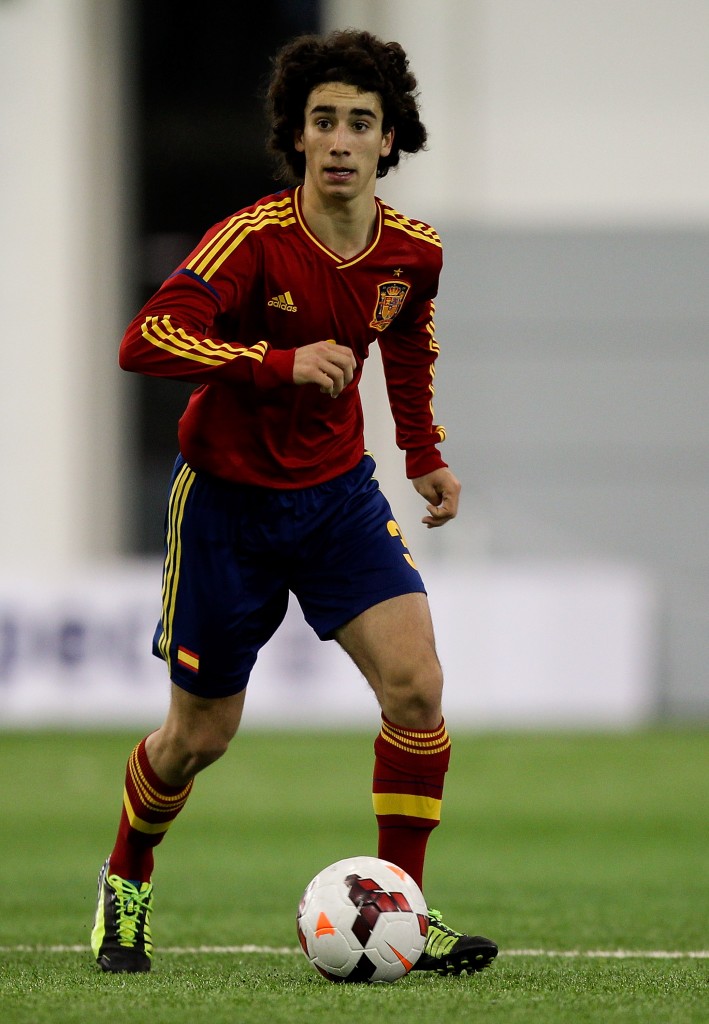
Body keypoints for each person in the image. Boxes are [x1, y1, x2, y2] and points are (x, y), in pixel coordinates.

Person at [91, 27, 498, 977]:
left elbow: (407, 345)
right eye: (324, 121)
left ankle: (403, 915)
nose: (342, 140)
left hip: (337, 500)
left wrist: (423, 453)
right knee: (197, 738)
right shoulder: (254, 240)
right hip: (226, 508)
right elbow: (144, 339)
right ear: (299, 137)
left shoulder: (413, 253)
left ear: (389, 140)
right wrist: (274, 363)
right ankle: (125, 878)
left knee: (416, 688)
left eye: (361, 122)